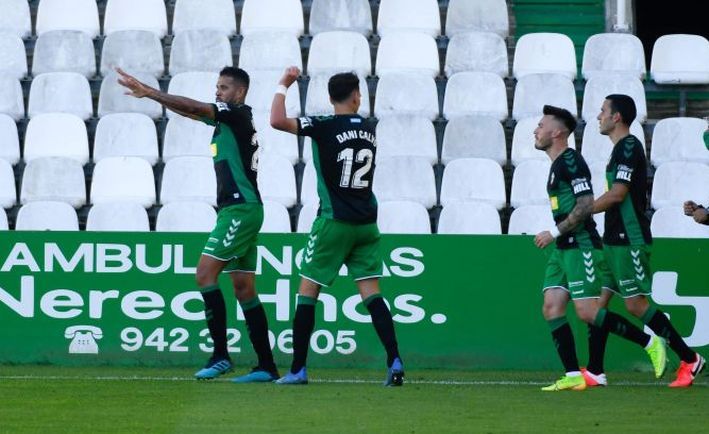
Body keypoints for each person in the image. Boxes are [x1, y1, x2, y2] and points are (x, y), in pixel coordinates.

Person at [116, 67, 279, 383]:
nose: (217, 92)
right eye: (216, 87)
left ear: (240, 92)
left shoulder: (235, 115)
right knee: (244, 288)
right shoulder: (229, 121)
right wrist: (157, 98)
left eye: (223, 87)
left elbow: (194, 108)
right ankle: (266, 366)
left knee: (205, 274)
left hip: (239, 210)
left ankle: (220, 356)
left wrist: (150, 91)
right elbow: (191, 112)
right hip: (242, 209)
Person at [269, 67, 403, 386]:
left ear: (331, 98)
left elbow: (276, 121)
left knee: (307, 291)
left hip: (334, 221)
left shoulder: (322, 125)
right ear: (357, 96)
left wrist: (283, 85)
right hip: (367, 224)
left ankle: (298, 369)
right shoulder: (369, 127)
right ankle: (395, 360)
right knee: (372, 295)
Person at [533, 105, 666, 392]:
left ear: (557, 132)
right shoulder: (557, 165)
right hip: (563, 249)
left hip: (581, 246)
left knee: (587, 312)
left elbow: (585, 204)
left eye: (542, 125)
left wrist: (554, 232)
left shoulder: (571, 162)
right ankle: (572, 374)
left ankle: (650, 342)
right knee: (551, 306)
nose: (536, 130)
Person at [593, 94, 706, 387]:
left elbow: (618, 194)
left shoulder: (629, 146)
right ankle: (595, 371)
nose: (598, 116)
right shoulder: (618, 149)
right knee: (596, 306)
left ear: (617, 117)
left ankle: (690, 359)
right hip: (612, 238)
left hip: (629, 238)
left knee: (635, 305)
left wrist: (583, 210)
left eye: (603, 111)